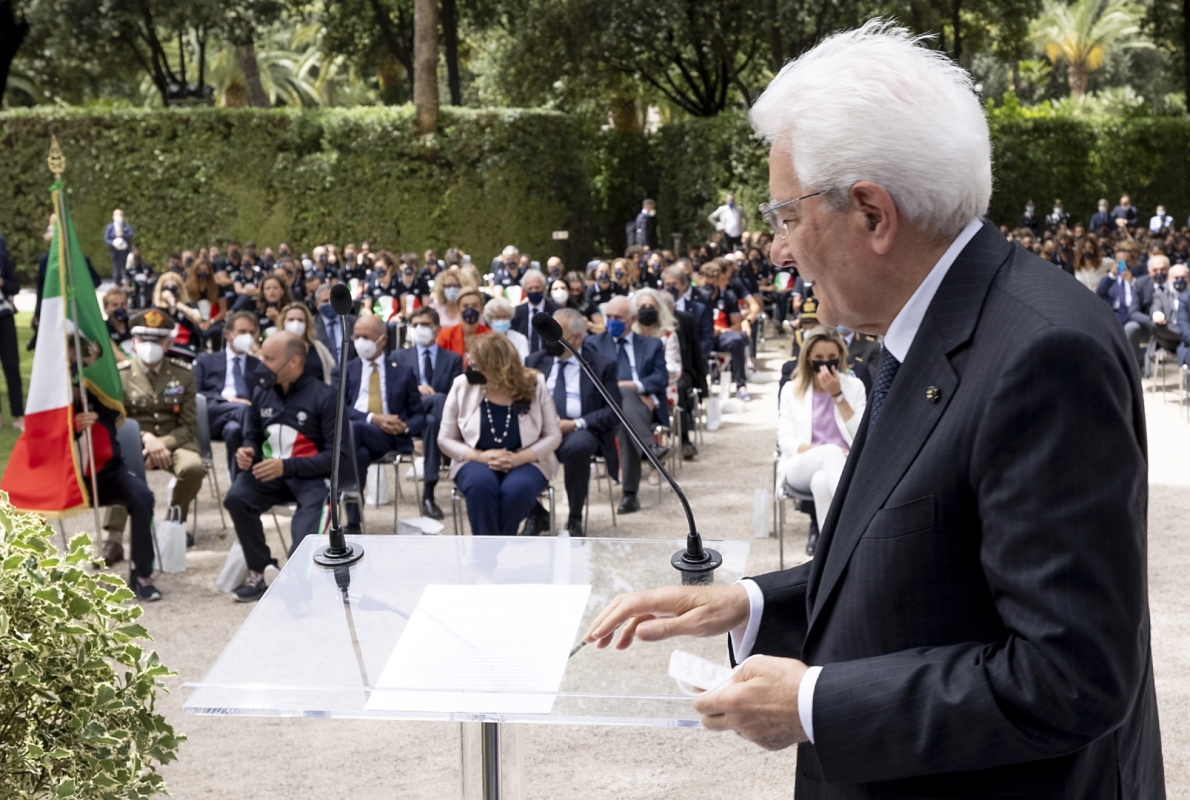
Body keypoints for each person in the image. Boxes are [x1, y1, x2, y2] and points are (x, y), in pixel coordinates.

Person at [582, 22, 1162, 797]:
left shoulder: (1043, 354)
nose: (777, 249)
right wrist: (748, 604)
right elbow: (917, 565)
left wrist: (812, 704)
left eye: (787, 217)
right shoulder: (939, 325)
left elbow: (1070, 677)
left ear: (872, 213)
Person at [224, 332, 342, 602]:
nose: (261, 365)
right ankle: (262, 570)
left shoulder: (325, 397)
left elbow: (336, 458)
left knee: (304, 529)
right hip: (271, 473)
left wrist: (287, 467)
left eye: (269, 359)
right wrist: (248, 451)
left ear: (294, 361)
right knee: (237, 497)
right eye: (261, 357)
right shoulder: (261, 392)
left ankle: (297, 585)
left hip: (314, 478)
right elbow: (252, 436)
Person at [437, 333, 561, 536]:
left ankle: (488, 549)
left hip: (528, 460)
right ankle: (490, 550)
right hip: (474, 459)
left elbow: (553, 435)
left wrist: (519, 458)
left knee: (516, 490)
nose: (471, 370)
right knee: (481, 486)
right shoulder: (463, 384)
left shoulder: (535, 383)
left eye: (477, 366)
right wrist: (480, 456)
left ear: (499, 367)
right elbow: (445, 439)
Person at [68, 339, 159, 599]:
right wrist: (71, 426)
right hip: (67, 475)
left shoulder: (101, 392)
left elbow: (112, 409)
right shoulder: (51, 394)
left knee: (142, 497)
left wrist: (92, 368)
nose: (76, 368)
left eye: (81, 359)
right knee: (29, 505)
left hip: (107, 472)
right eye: (71, 360)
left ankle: (141, 574)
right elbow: (43, 436)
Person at [109, 309, 205, 552]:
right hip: (135, 444)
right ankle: (114, 539)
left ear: (168, 343)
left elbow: (189, 425)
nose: (149, 345)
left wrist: (160, 444)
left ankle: (174, 524)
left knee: (193, 468)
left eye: (157, 340)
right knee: (121, 468)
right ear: (134, 342)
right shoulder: (120, 375)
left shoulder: (183, 374)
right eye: (144, 339)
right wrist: (146, 440)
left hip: (175, 442)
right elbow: (117, 421)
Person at [524, 309, 621, 537]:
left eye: (555, 334)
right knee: (509, 445)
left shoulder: (601, 365)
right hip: (540, 431)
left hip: (580, 431)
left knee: (578, 446)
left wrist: (576, 423)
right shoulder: (534, 362)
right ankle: (536, 514)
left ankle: (575, 517)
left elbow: (613, 411)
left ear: (576, 338)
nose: (548, 340)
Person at [776, 326, 867, 554]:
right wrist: (822, 451)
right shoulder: (791, 390)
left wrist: (838, 396)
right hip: (801, 464)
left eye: (831, 357)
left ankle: (831, 554)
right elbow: (785, 440)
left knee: (821, 481)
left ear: (840, 356)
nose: (825, 363)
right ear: (808, 357)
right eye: (819, 357)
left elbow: (863, 436)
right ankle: (859, 516)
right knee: (830, 453)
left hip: (842, 467)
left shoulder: (854, 386)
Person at [583, 295, 670, 514]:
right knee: (623, 402)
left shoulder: (651, 344)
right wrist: (623, 388)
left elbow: (661, 378)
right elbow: (590, 381)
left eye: (618, 317)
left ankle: (630, 495)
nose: (612, 321)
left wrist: (635, 386)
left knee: (625, 417)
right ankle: (649, 450)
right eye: (608, 316)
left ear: (632, 319)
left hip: (643, 409)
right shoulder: (593, 344)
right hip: (605, 409)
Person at [341, 315, 425, 526]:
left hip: (390, 437)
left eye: (366, 337)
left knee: (352, 433)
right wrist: (372, 418)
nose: (360, 342)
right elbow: (339, 409)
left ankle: (335, 495)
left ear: (383, 339)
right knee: (358, 449)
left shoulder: (403, 372)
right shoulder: (345, 369)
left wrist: (404, 427)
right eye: (356, 337)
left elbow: (419, 416)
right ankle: (353, 523)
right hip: (356, 434)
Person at [395, 307, 463, 519]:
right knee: (439, 399)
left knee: (433, 420)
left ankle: (428, 494)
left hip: (435, 417)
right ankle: (450, 447)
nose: (419, 329)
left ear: (436, 328)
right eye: (415, 325)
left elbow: (456, 394)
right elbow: (393, 392)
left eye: (424, 325)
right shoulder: (398, 356)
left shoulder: (452, 359)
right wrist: (416, 390)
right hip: (408, 413)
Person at [194, 311, 260, 477]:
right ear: (228, 334)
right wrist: (227, 400)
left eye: (251, 332)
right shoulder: (205, 360)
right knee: (243, 409)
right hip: (211, 413)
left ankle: (239, 483)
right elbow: (196, 393)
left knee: (234, 430)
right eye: (242, 332)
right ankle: (250, 445)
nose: (248, 336)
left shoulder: (258, 365)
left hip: (241, 420)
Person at [699, 260, 751, 401]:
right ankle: (700, 386)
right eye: (706, 282)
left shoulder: (728, 296)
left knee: (737, 340)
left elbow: (737, 325)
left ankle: (740, 384)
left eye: (712, 281)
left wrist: (721, 330)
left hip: (721, 335)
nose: (708, 286)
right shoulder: (696, 297)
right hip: (702, 336)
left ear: (718, 279)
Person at [151, 273, 203, 362]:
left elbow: (197, 319)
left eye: (173, 287)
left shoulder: (189, 305)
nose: (170, 290)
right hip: (165, 346)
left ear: (180, 288)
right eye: (166, 287)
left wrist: (174, 303)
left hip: (186, 347)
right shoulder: (157, 307)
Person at [0, 232, 22, 430]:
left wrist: (3, 283)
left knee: (12, 366)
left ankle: (18, 415)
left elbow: (15, 287)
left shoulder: (3, 260)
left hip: (5, 317)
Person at [280, 302, 333, 383]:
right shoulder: (274, 348)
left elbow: (333, 372)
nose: (296, 323)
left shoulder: (318, 347)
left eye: (300, 320)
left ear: (306, 324)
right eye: (291, 319)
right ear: (283, 322)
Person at [511, 269, 560, 353]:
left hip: (548, 356)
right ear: (524, 291)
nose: (534, 291)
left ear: (544, 288)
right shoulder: (516, 312)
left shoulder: (556, 310)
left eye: (537, 287)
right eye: (530, 288)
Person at [438, 289, 491, 360]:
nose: (470, 309)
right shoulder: (445, 335)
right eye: (465, 306)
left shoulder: (490, 336)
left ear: (481, 309)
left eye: (474, 306)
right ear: (458, 309)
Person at [312, 284, 357, 366]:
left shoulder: (354, 322)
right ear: (317, 304)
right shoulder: (311, 325)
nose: (330, 303)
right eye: (325, 301)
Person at [1096, 246, 1136, 329]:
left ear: (1131, 262)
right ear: (1115, 262)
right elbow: (1099, 293)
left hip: (1131, 313)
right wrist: (1112, 275)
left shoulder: (1137, 278)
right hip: (1114, 313)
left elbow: (1141, 297)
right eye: (1120, 262)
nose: (1124, 265)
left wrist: (1131, 282)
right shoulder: (1109, 280)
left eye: (1126, 262)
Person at [484, 296, 529, 362]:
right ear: (490, 319)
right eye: (497, 317)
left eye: (505, 317)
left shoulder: (520, 339)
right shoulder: (483, 340)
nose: (501, 320)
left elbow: (524, 361)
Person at [104, 209, 134, 285]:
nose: (118, 217)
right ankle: (116, 284)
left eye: (120, 215)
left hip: (126, 251)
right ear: (113, 216)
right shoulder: (110, 227)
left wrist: (122, 235)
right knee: (116, 269)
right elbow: (106, 239)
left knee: (127, 269)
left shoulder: (126, 226)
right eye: (116, 215)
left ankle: (127, 285)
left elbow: (131, 234)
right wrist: (113, 243)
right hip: (116, 252)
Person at [103, 288, 133, 363]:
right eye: (115, 305)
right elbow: (114, 353)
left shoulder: (134, 324)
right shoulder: (104, 328)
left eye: (123, 304)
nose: (120, 308)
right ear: (106, 308)